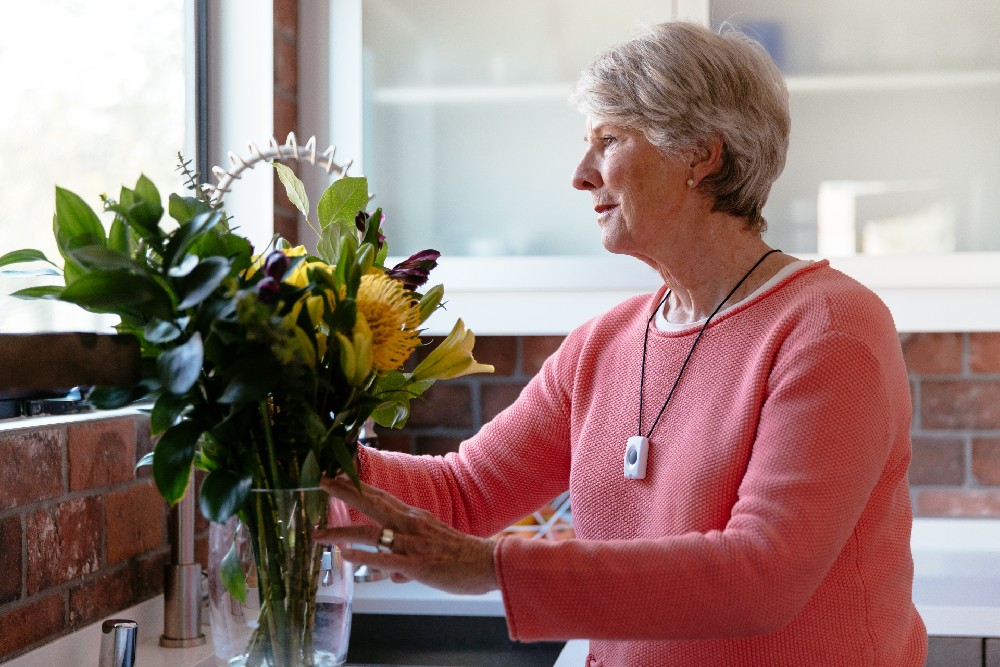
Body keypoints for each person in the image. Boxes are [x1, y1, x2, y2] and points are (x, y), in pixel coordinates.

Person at [318, 20, 928, 666]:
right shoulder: (602, 345)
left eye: (608, 141)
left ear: (701, 154)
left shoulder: (831, 330)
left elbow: (762, 575)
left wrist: (492, 564)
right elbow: (464, 492)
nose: (581, 175)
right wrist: (291, 447)